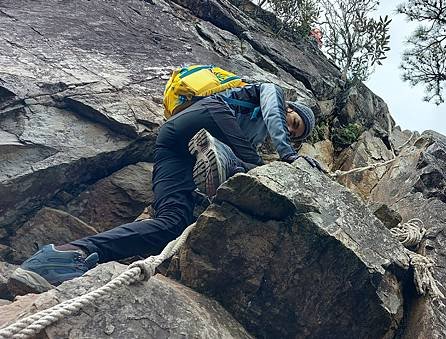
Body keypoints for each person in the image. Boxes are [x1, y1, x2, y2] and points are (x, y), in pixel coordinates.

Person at [10, 82, 323, 290]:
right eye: (294, 124)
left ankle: (64, 256)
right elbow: (272, 113)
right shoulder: (272, 93)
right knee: (252, 165)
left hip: (173, 148)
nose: (289, 130)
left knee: (173, 224)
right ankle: (214, 152)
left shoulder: (253, 137)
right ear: (291, 109)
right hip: (209, 114)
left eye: (295, 134)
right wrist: (287, 154)